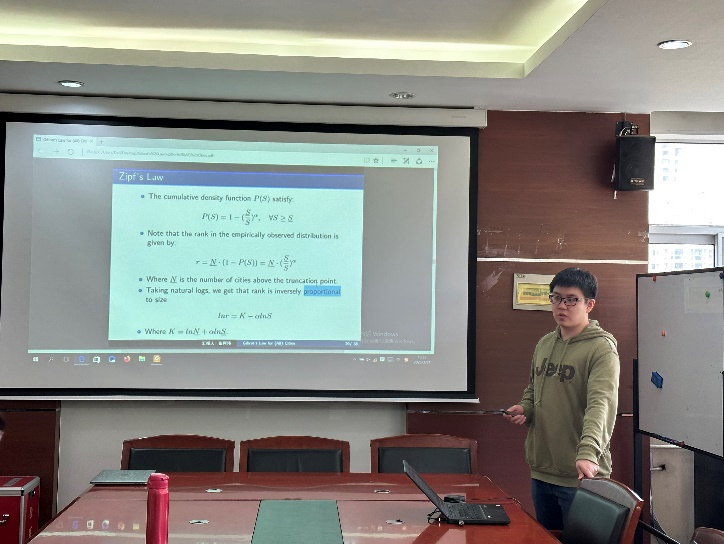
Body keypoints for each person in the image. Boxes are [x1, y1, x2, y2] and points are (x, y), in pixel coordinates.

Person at [505, 267, 620, 531]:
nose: (561, 306)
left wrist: (588, 452)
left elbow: (601, 405)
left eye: (571, 300)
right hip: (542, 471)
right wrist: (525, 408)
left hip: (580, 474)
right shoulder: (545, 343)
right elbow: (533, 389)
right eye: (556, 298)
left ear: (589, 305)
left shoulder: (601, 349)